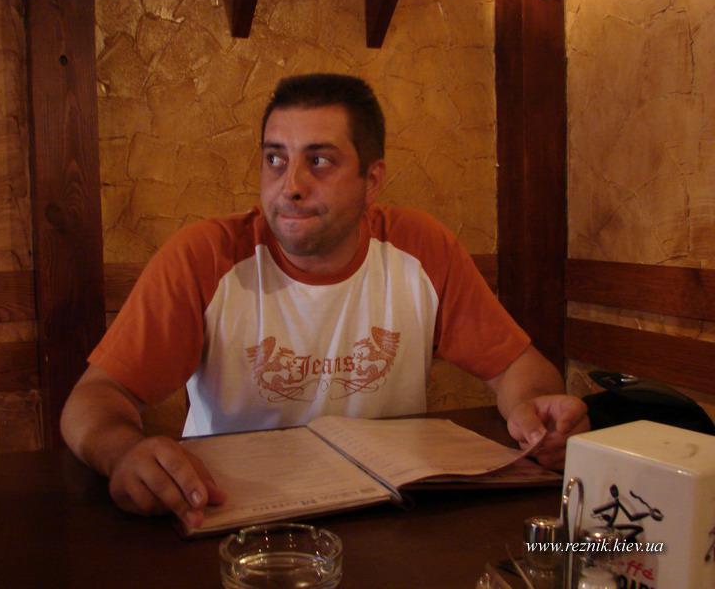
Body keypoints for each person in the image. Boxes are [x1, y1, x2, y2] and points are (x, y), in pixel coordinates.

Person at [60, 73, 589, 530]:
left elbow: (520, 369)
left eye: (319, 160)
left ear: (371, 180)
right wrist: (123, 453)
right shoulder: (204, 257)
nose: (290, 185)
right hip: (232, 519)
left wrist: (536, 412)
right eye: (275, 159)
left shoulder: (422, 248)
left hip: (389, 519)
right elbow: (97, 397)